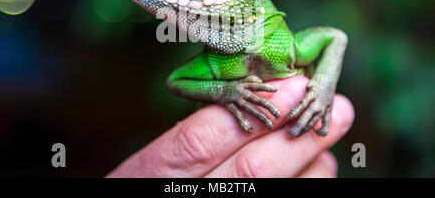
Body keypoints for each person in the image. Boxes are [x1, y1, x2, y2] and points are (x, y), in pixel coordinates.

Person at [107, 76, 354, 178]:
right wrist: (226, 90)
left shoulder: (279, 39)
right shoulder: (210, 58)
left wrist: (323, 87)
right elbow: (175, 81)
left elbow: (334, 36)